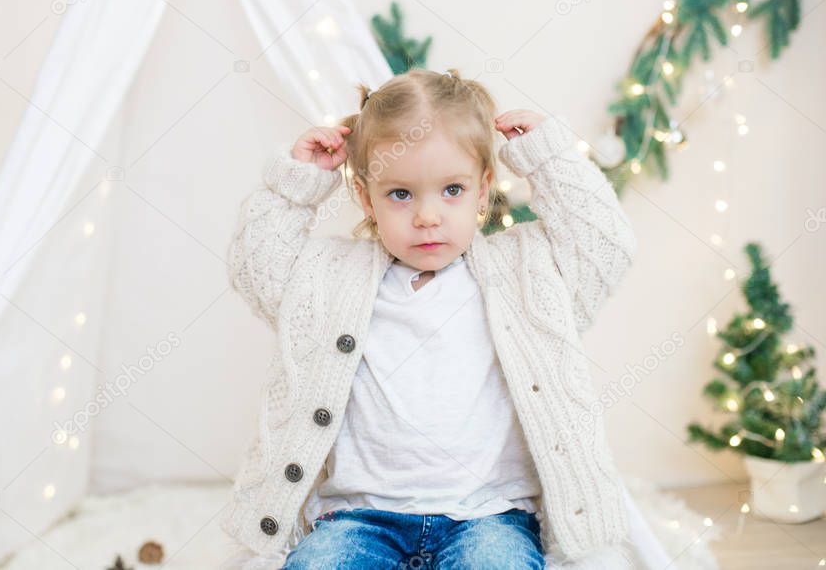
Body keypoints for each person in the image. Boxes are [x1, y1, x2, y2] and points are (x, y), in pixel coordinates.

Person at [220, 68, 638, 569]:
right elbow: (256, 265)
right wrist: (297, 186)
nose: (427, 216)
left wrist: (550, 159)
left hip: (491, 517)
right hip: (359, 517)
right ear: (365, 197)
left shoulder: (528, 272)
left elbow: (604, 245)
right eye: (401, 194)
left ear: (484, 190)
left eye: (452, 190)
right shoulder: (330, 277)